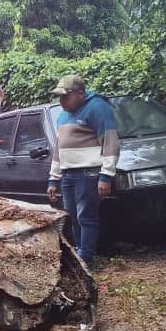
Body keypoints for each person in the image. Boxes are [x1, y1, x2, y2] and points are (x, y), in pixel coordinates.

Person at [46, 75, 120, 269]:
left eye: (65, 97)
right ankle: (79, 252)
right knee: (72, 216)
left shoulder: (97, 107)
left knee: (86, 215)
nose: (61, 102)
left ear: (80, 93)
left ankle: (85, 258)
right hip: (68, 173)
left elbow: (110, 142)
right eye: (59, 97)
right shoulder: (62, 116)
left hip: (88, 172)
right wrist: (53, 179)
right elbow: (58, 149)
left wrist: (106, 175)